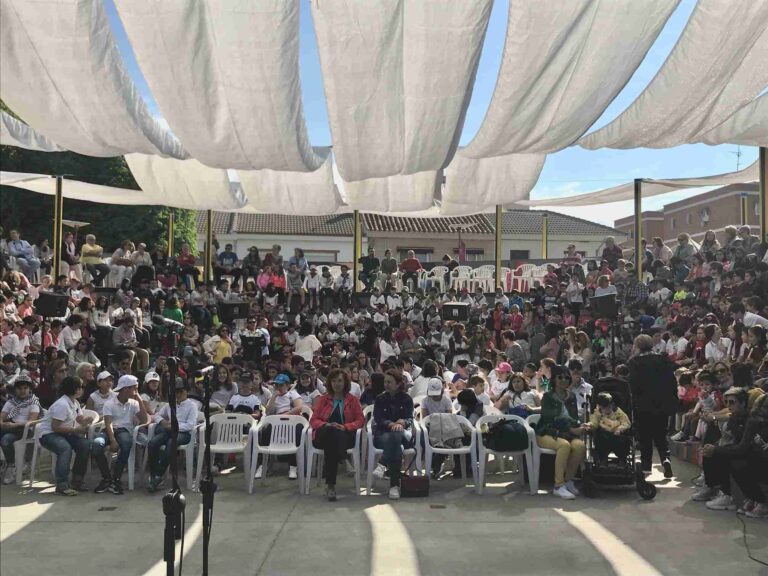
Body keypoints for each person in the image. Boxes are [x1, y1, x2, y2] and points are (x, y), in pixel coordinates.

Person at [309, 369, 365, 501]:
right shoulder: (323, 399)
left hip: (345, 436)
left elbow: (360, 420)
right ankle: (344, 459)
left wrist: (346, 427)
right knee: (331, 431)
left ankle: (331, 486)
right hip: (323, 434)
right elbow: (314, 420)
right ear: (329, 383)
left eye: (339, 380)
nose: (336, 384)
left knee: (332, 444)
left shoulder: (353, 400)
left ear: (345, 382)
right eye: (333, 381)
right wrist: (325, 425)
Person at [533, 364, 587, 500]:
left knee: (580, 446)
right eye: (560, 377)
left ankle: (568, 480)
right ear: (554, 379)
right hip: (546, 432)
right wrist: (570, 429)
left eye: (567, 377)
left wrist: (581, 425)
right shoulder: (548, 396)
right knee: (564, 445)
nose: (564, 380)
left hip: (567, 432)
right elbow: (549, 418)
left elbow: (574, 417)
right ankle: (558, 486)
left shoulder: (572, 396)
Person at [36, 376, 97, 495]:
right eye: (79, 387)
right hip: (48, 434)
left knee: (85, 445)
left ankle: (77, 480)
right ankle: (62, 485)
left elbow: (79, 419)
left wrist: (87, 420)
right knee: (65, 448)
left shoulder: (75, 402)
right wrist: (76, 430)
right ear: (72, 389)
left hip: (65, 433)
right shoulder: (62, 404)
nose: (82, 389)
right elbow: (55, 427)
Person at [627, 334, 676, 477]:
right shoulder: (663, 359)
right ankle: (666, 459)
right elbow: (671, 381)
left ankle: (646, 465)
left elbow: (633, 384)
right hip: (661, 404)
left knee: (645, 435)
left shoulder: (635, 362)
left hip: (643, 404)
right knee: (661, 434)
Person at [91, 374, 149, 494]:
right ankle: (107, 478)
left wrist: (138, 397)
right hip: (108, 430)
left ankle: (116, 479)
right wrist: (112, 440)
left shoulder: (134, 403)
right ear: (125, 389)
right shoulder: (109, 403)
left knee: (127, 443)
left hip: (124, 431)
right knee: (97, 445)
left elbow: (143, 420)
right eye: (134, 388)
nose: (136, 391)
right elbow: (108, 423)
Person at [146, 379, 198, 492]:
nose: (178, 394)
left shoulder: (192, 405)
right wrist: (163, 422)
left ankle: (158, 476)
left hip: (184, 433)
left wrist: (175, 426)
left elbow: (190, 425)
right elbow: (157, 416)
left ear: (186, 391)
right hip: (169, 430)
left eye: (181, 391)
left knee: (171, 443)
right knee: (153, 443)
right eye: (176, 392)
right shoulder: (170, 404)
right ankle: (154, 474)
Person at [372, 369, 416, 500]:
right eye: (385, 382)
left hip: (404, 434)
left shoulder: (406, 399)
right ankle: (394, 486)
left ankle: (382, 463)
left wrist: (402, 422)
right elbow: (378, 419)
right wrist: (391, 424)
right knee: (396, 444)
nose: (386, 384)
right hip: (384, 434)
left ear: (398, 384)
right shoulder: (380, 399)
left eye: (389, 382)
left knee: (397, 435)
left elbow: (410, 418)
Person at [255, 374, 303, 480]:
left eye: (281, 385)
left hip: (292, 420)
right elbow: (268, 412)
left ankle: (293, 466)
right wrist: (273, 397)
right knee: (265, 431)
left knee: (298, 432)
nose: (278, 387)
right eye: (276, 385)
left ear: (287, 385)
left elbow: (299, 407)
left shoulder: (292, 394)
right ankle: (263, 465)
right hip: (276, 422)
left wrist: (285, 415)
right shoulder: (274, 397)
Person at [0, 376, 41, 484]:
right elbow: (2, 416)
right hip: (10, 427)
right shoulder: (11, 402)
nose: (22, 391)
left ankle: (10, 465)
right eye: (19, 388)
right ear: (15, 390)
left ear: (29, 389)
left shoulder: (34, 403)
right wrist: (2, 423)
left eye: (25, 388)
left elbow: (31, 421)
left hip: (25, 430)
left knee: (6, 439)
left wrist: (13, 425)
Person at [588, 392, 631, 465]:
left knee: (623, 441)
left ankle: (622, 459)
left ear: (612, 405)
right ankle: (602, 459)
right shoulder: (597, 413)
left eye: (609, 406)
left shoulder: (618, 412)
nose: (607, 409)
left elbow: (626, 422)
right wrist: (590, 425)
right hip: (603, 437)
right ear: (600, 406)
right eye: (604, 407)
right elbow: (594, 422)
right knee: (598, 439)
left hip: (617, 436)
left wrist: (619, 429)